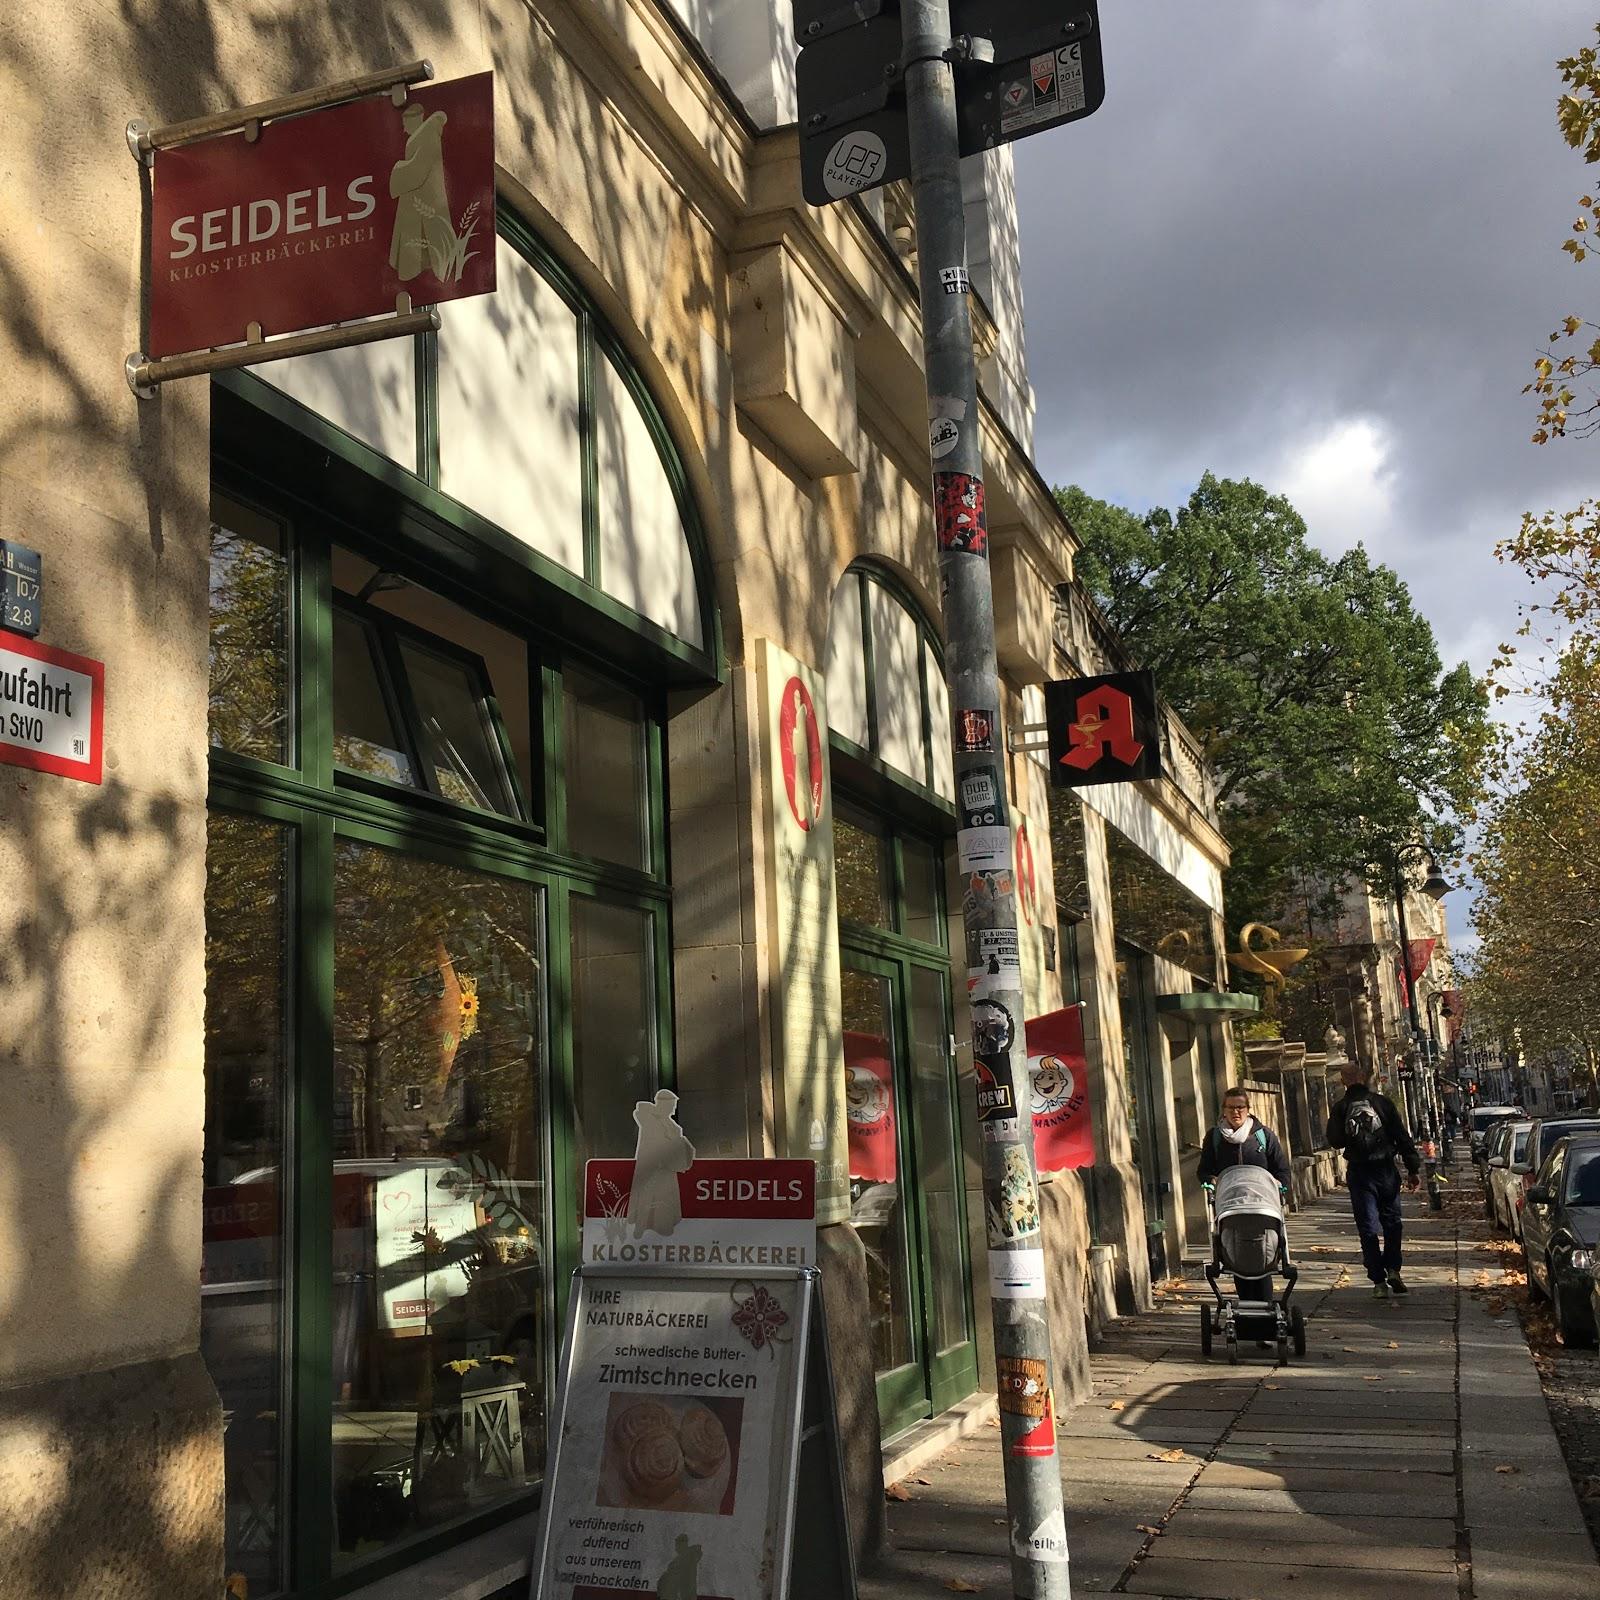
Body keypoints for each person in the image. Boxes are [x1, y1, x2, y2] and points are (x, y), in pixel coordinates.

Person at [1326, 1058, 1421, 1297]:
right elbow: (1402, 1136)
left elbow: (1335, 1140)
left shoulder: (1340, 1108)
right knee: (1392, 1222)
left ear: (1343, 1081)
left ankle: (1377, 1281)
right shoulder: (1382, 1103)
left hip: (1359, 1172)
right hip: (1386, 1170)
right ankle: (1393, 1269)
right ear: (1362, 1078)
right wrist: (1413, 1169)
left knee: (1367, 1226)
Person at [1198, 1086, 1292, 1302]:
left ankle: (1265, 1308)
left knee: (1264, 1254)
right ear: (1223, 1110)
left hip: (1262, 1207)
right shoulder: (1214, 1137)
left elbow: (1282, 1168)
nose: (1235, 1112)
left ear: (1248, 1109)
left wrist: (1281, 1184)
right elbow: (1204, 1170)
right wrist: (1209, 1180)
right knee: (1236, 1256)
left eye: (1240, 1107)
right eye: (1230, 1107)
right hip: (1231, 1208)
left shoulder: (1263, 1135)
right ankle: (1248, 1307)